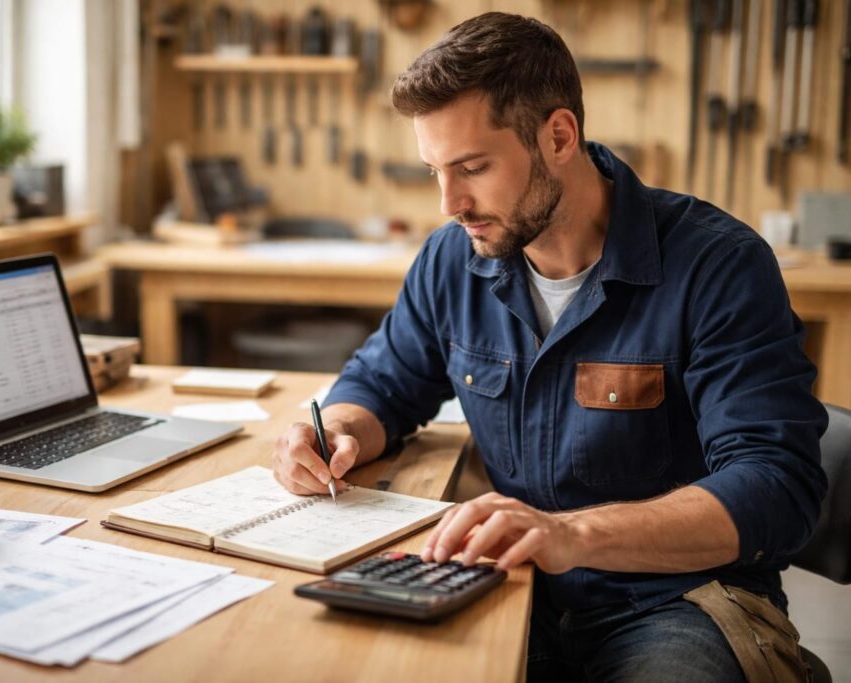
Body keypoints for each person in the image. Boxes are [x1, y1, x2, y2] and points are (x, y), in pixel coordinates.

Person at [271, 12, 827, 682]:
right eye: (434, 170)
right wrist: (338, 431)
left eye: (472, 166)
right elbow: (384, 380)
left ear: (558, 136)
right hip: (514, 586)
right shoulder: (455, 258)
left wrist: (573, 535)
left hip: (678, 600)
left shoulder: (719, 266)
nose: (449, 201)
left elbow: (776, 488)